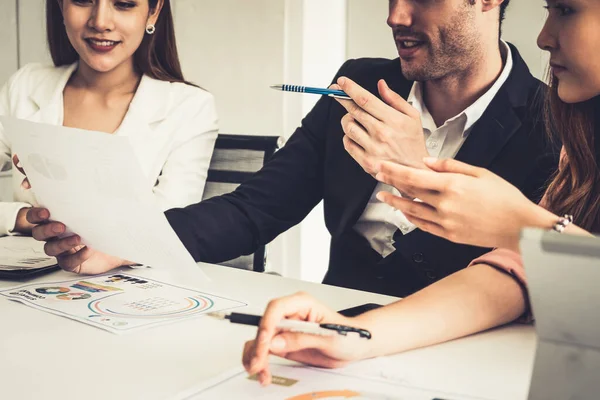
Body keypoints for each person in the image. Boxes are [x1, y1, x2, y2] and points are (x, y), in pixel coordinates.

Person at [28, 0, 557, 297]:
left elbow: (520, 281)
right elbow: (256, 208)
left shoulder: (554, 125)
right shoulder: (356, 84)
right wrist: (127, 243)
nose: (396, 16)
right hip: (323, 322)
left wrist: (412, 170)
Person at [239, 0, 600, 386]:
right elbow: (510, 277)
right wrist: (356, 336)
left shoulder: (545, 123)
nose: (543, 38)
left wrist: (527, 225)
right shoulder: (581, 148)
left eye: (565, 10)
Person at [0, 0, 218, 238]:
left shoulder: (190, 107)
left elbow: (166, 233)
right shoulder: (25, 86)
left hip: (127, 274)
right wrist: (20, 217)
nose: (100, 22)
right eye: (83, 0)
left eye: (124, 4)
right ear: (61, 6)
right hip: (23, 272)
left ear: (153, 12)